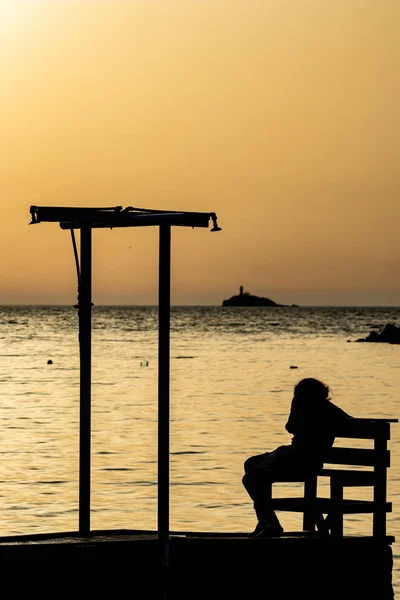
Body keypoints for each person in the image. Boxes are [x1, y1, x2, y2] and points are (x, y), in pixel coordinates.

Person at [242, 377, 353, 538]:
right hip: (311, 462)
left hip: (298, 460)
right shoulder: (328, 408)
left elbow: (289, 427)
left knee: (251, 475)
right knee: (252, 467)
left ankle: (270, 523)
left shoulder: (300, 400)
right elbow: (350, 421)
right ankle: (266, 522)